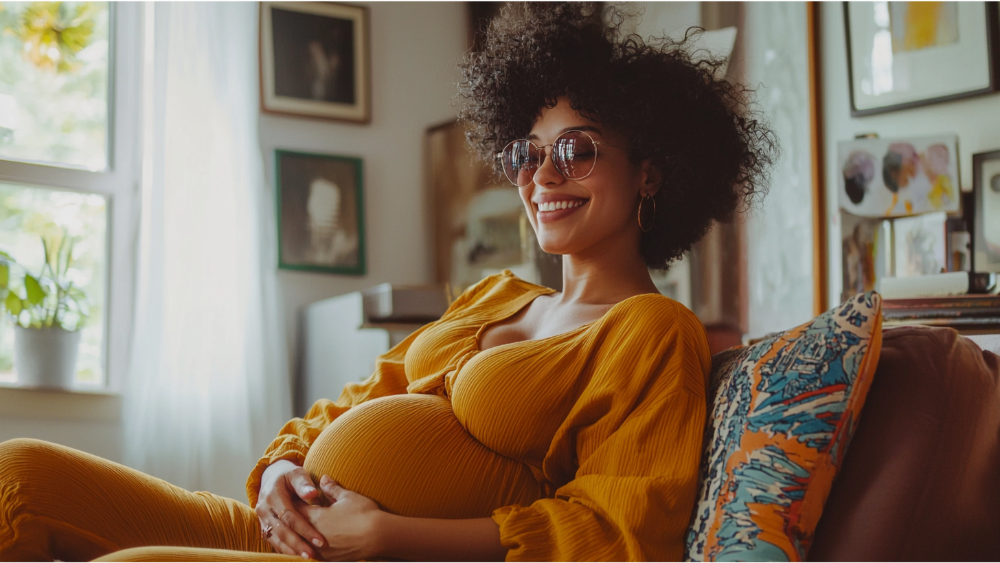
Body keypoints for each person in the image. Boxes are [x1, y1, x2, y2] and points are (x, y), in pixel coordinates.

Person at [0, 3, 775, 562]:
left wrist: (384, 536)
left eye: (577, 149)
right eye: (527, 153)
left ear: (652, 171)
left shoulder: (650, 330)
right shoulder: (495, 296)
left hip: (377, 559)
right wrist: (278, 470)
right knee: (21, 474)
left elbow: (617, 532)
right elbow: (354, 400)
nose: (543, 175)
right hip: (281, 533)